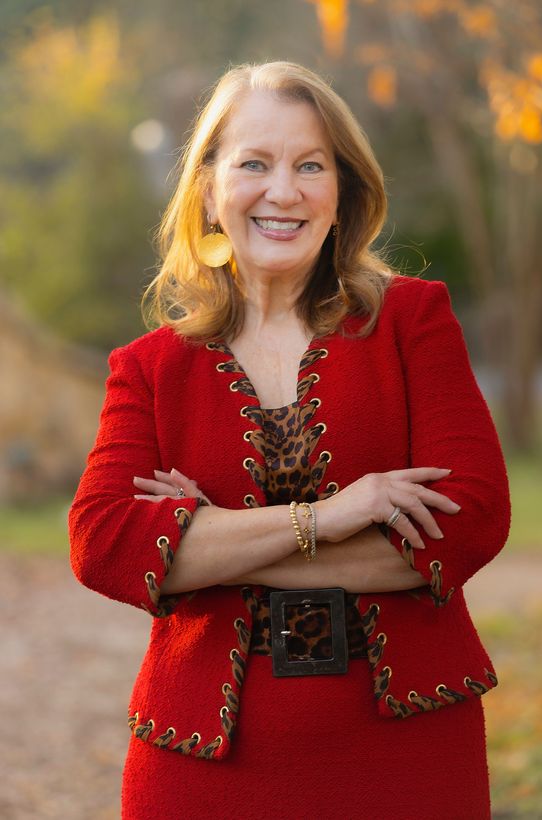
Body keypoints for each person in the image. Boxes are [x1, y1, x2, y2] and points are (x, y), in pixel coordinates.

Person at [69, 61, 510, 819]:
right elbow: (104, 542)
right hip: (203, 762)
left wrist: (207, 544)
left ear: (342, 192)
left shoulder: (411, 322)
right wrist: (332, 516)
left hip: (405, 753)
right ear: (207, 188)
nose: (284, 190)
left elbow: (469, 519)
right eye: (254, 163)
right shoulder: (148, 369)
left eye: (310, 165)